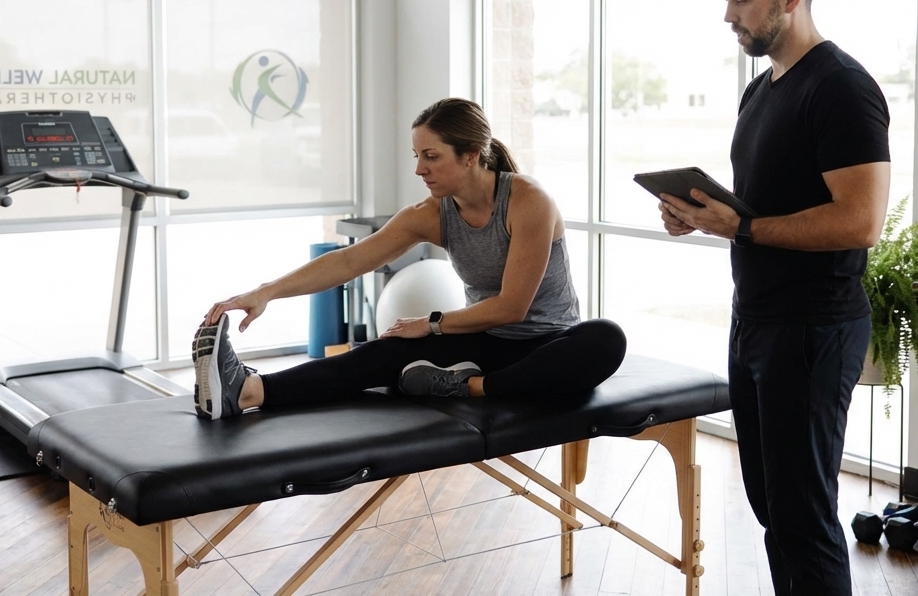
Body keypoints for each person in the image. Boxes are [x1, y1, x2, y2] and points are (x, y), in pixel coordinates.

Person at [658, 0, 890, 596]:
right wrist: (704, 218)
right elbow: (759, 214)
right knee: (770, 509)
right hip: (755, 320)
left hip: (814, 329)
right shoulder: (761, 91)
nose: (727, 14)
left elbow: (861, 221)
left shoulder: (842, 87)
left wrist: (746, 226)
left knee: (802, 515)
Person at [191, 97, 627, 420]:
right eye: (417, 157)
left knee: (605, 337)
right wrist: (265, 293)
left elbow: (513, 307)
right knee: (386, 350)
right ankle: (248, 391)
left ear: (471, 155)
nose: (420, 169)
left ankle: (467, 385)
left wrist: (433, 324)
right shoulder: (429, 215)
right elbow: (349, 261)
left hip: (549, 346)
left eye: (432, 157)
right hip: (487, 342)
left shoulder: (527, 202)